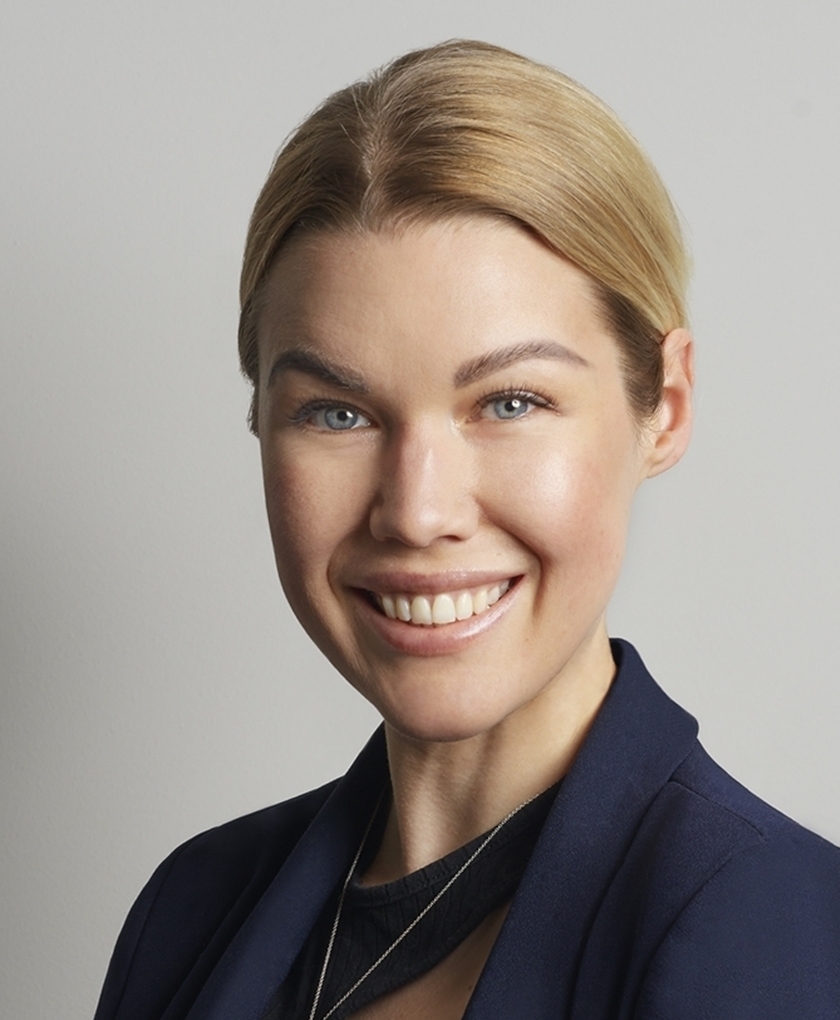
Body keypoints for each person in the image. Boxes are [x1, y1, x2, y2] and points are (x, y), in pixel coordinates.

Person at [93, 40, 840, 1020]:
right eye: (336, 413)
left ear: (666, 407)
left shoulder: (778, 935)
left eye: (511, 402)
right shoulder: (190, 911)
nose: (417, 512)